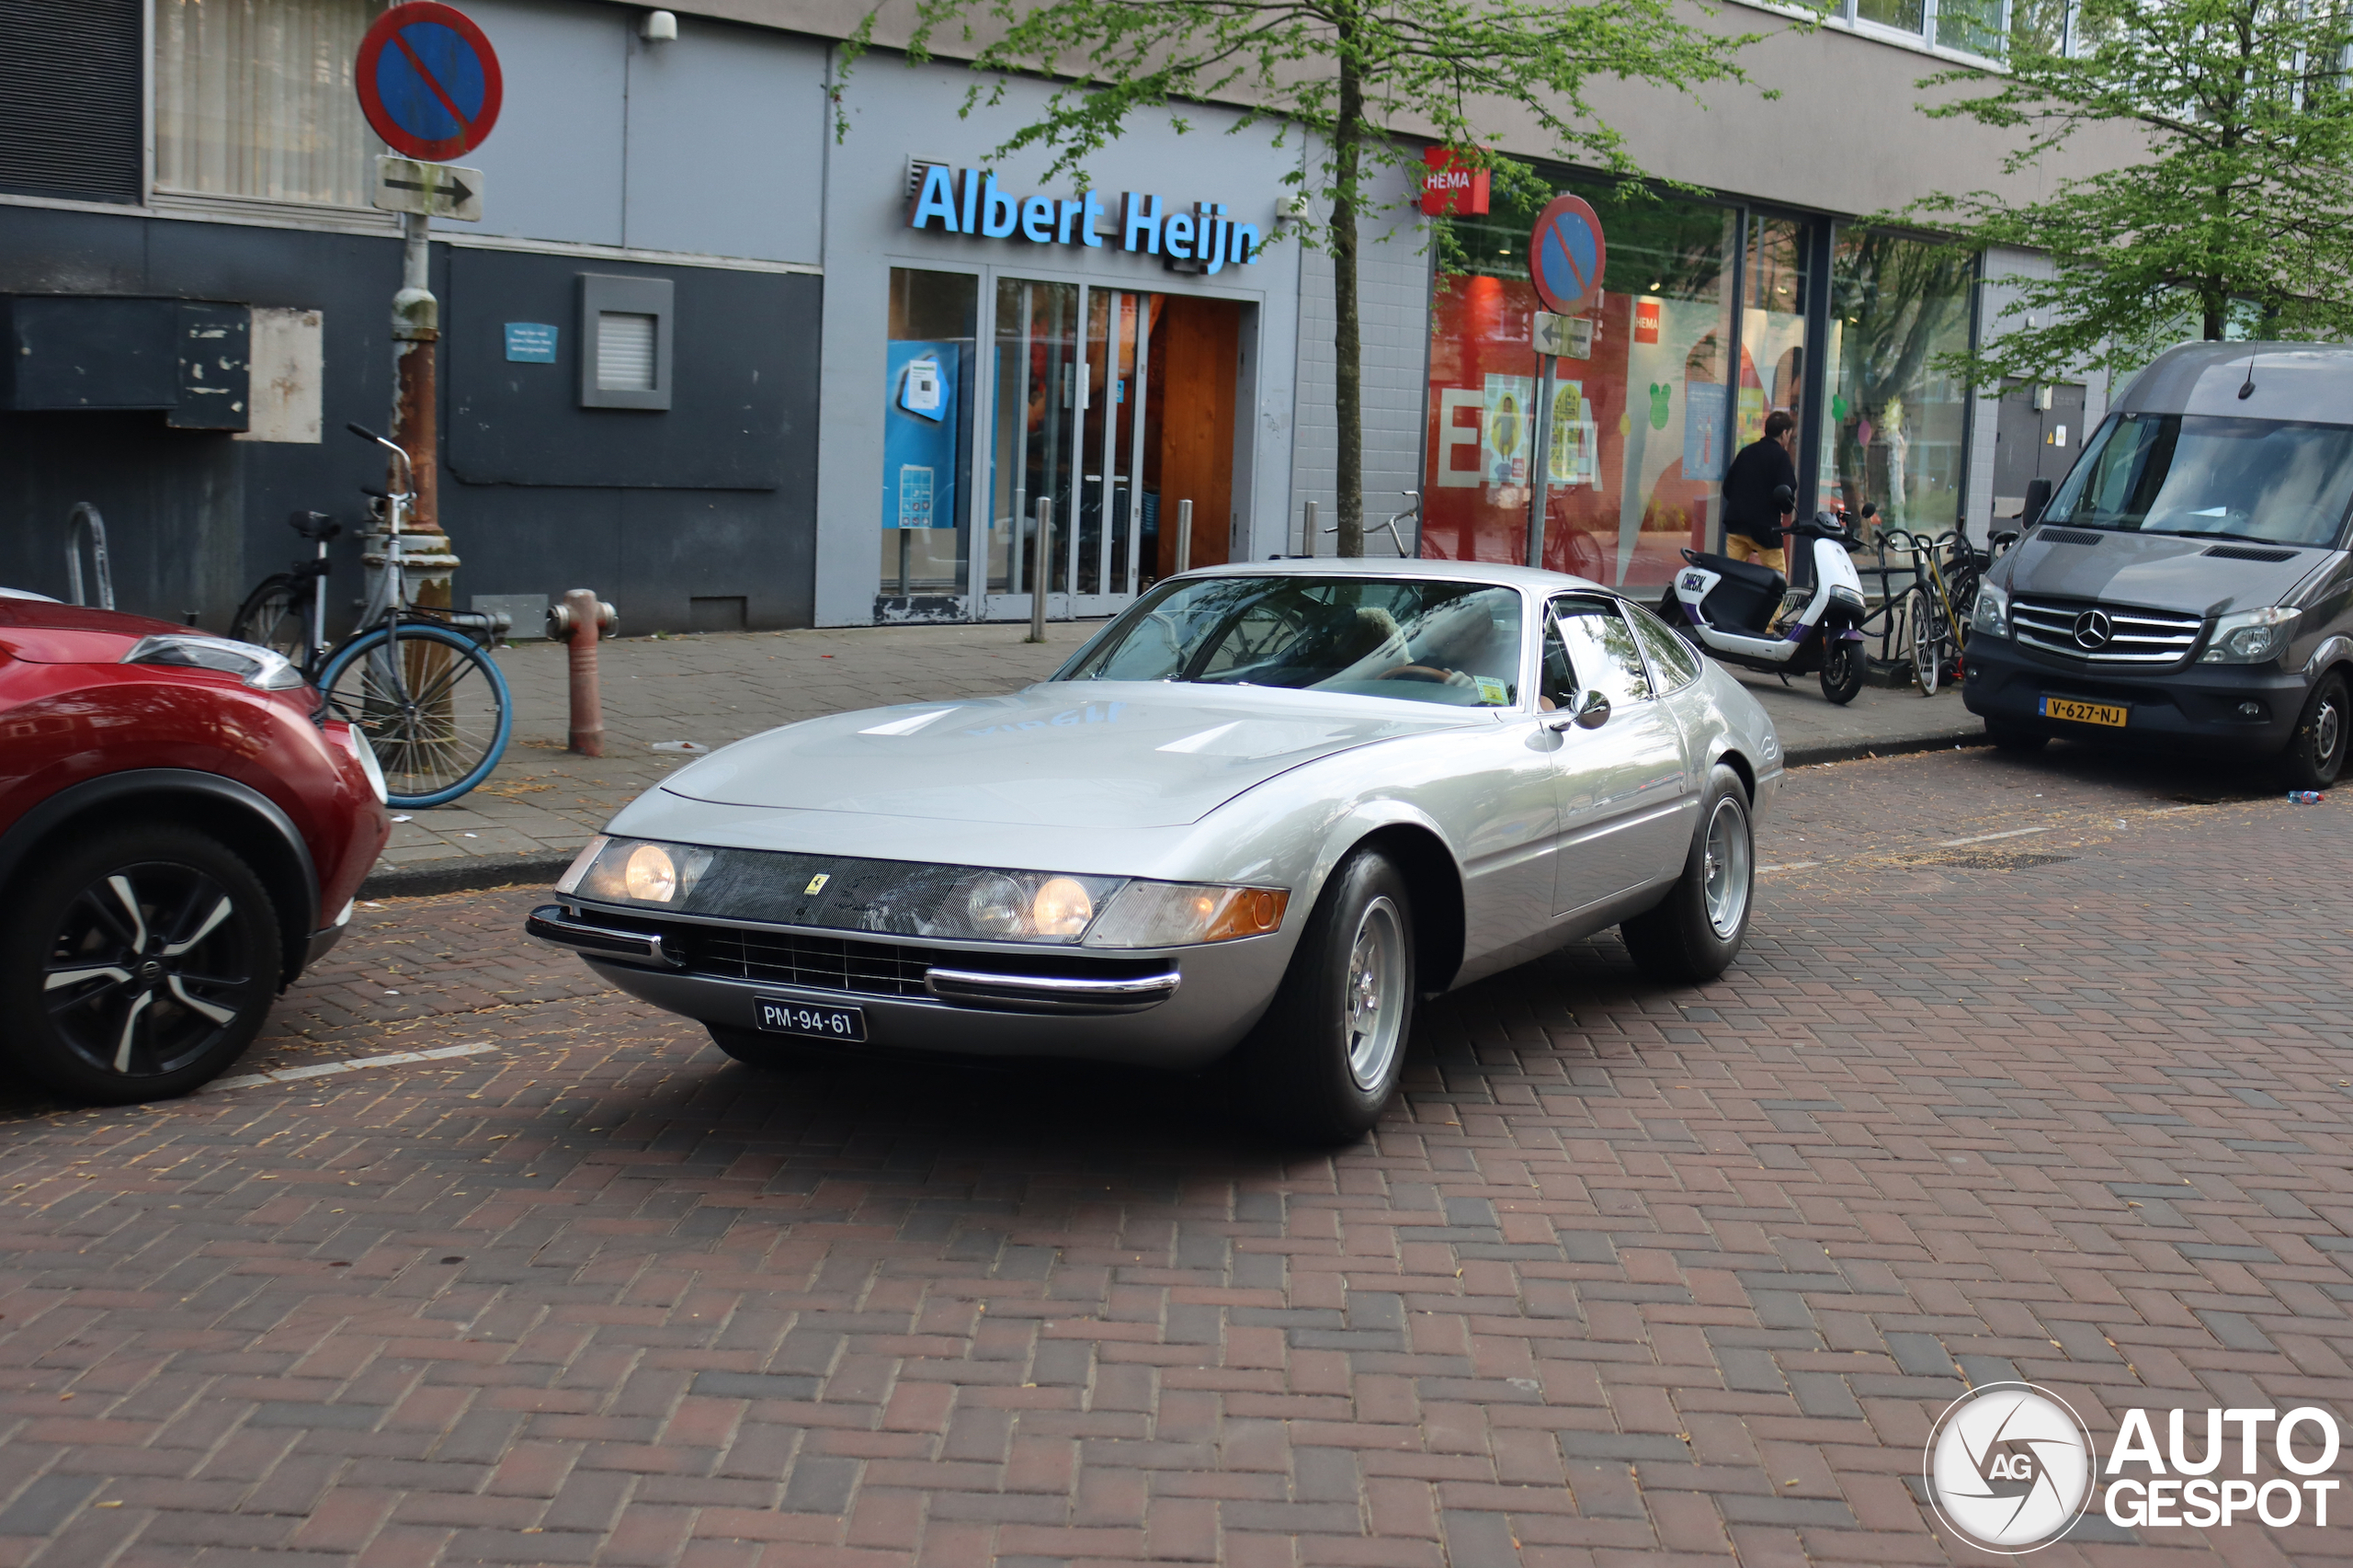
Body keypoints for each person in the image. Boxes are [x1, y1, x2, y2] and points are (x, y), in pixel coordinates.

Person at [1721, 409, 1798, 574]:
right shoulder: (1781, 457)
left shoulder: (1746, 452)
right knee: (1776, 578)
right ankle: (1771, 602)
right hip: (1765, 529)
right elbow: (1786, 495)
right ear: (1784, 433)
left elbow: (1727, 487)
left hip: (1737, 524)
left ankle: (1733, 600)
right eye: (1789, 434)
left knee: (1732, 576)